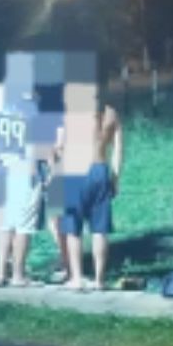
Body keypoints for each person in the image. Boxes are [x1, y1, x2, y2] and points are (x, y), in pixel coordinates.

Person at [57, 104, 124, 290]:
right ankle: (99, 280)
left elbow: (60, 145)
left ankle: (77, 278)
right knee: (99, 230)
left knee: (73, 228)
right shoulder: (112, 113)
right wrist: (115, 179)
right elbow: (118, 150)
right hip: (100, 169)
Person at [0, 91, 45, 286]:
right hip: (23, 169)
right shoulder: (31, 111)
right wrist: (35, 172)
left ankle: (1, 272)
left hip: (3, 170)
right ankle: (18, 274)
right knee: (23, 225)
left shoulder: (1, 109)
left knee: (5, 224)